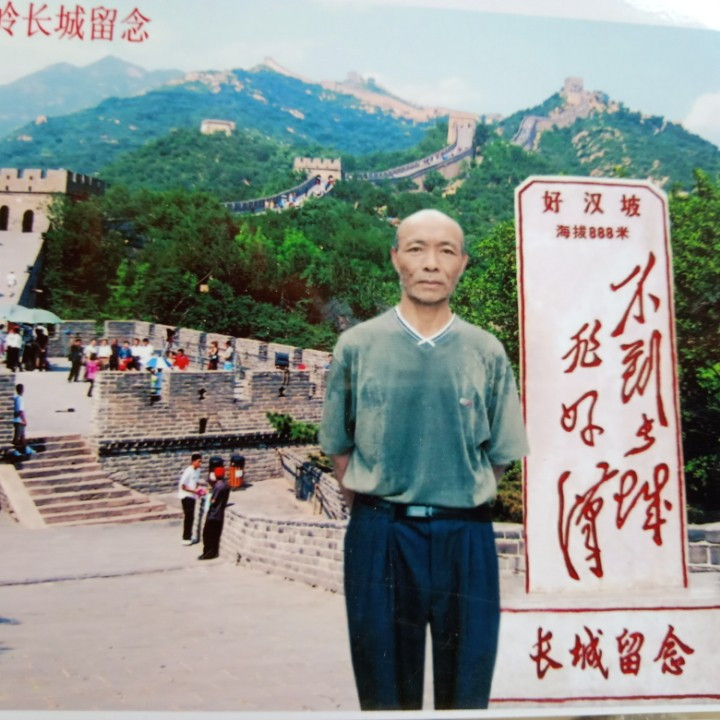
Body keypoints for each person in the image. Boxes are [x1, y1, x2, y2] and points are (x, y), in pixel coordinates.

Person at [319, 209, 529, 711]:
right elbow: (339, 447)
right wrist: (376, 509)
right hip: (380, 535)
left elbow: (501, 454)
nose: (431, 263)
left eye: (446, 251)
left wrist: (458, 494)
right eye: (416, 249)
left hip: (466, 535)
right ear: (396, 259)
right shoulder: (357, 346)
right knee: (385, 692)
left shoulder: (485, 350)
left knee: (466, 690)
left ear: (463, 264)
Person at [198, 465, 230, 560]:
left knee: (207, 535)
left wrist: (208, 496)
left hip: (213, 514)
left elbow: (213, 501)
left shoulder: (218, 486)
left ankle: (208, 553)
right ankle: (214, 552)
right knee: (215, 535)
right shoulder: (226, 485)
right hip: (220, 514)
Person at [178, 453, 204, 545]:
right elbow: (183, 486)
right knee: (188, 517)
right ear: (193, 461)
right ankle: (186, 538)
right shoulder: (188, 471)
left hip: (192, 496)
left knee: (191, 517)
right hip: (186, 496)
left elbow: (196, 482)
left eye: (201, 462)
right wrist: (194, 491)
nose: (200, 464)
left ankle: (189, 535)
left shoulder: (198, 470)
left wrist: (199, 489)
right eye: (199, 462)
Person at [12, 383, 28, 456]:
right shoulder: (19, 398)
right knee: (18, 436)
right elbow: (20, 411)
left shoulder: (15, 398)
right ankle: (14, 450)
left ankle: (25, 449)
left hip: (17, 420)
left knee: (22, 436)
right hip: (19, 420)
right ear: (22, 390)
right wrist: (24, 420)